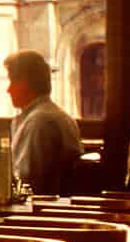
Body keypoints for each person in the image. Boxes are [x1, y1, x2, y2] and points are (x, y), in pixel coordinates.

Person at [6, 49, 84, 196]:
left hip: (39, 210)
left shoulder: (39, 122)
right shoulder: (53, 115)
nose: (8, 90)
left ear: (24, 83)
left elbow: (26, 183)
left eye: (11, 81)